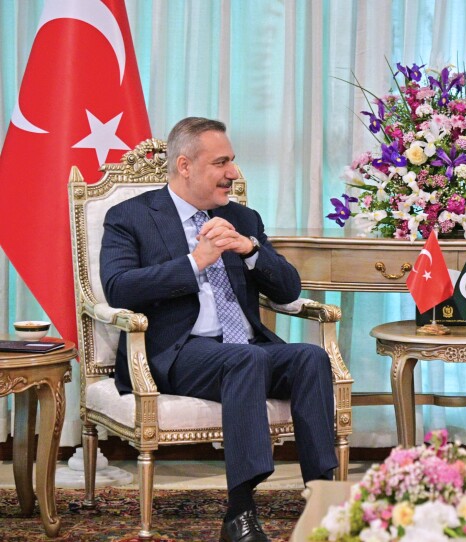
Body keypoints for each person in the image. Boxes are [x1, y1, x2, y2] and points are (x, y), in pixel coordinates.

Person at [101, 117, 338, 542]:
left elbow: (288, 289)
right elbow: (118, 287)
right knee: (245, 360)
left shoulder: (242, 217)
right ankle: (240, 512)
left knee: (309, 357)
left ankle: (324, 497)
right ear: (185, 165)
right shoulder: (130, 217)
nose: (233, 172)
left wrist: (250, 250)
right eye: (221, 162)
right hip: (177, 352)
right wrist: (196, 262)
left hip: (242, 348)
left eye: (233, 161)